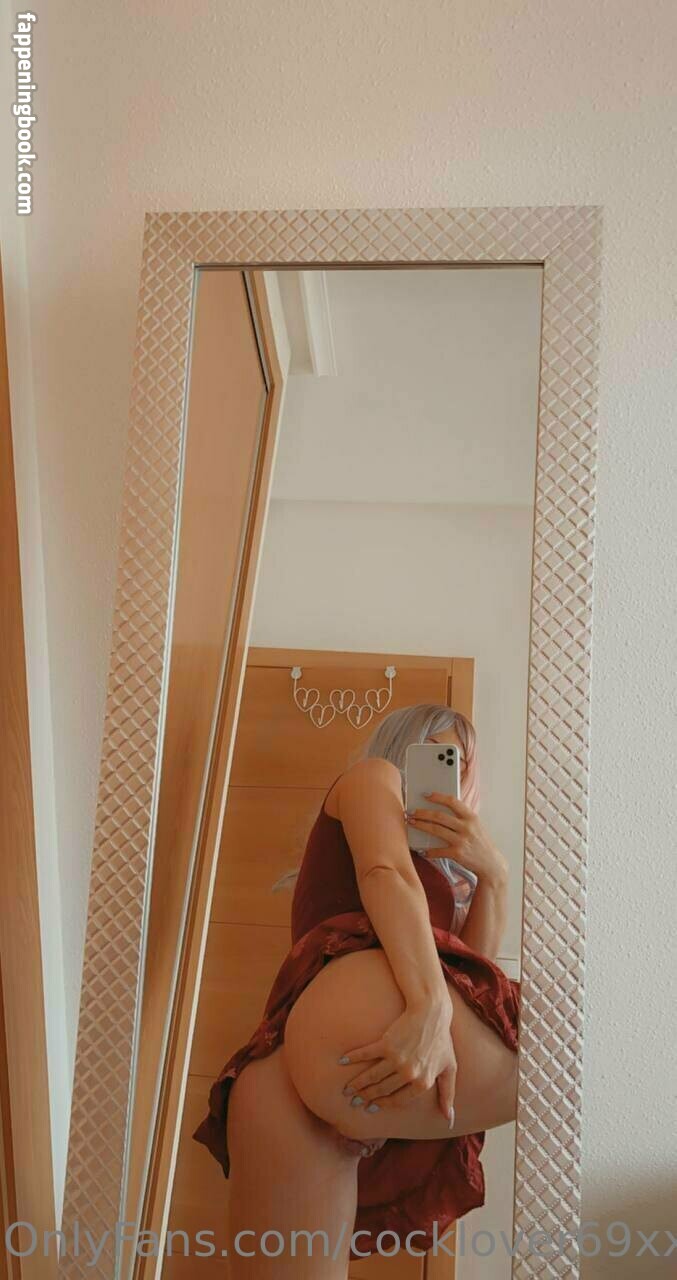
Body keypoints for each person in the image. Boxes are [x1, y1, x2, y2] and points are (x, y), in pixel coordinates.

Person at [193, 703, 520, 1277]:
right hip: (343, 1023)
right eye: (437, 753)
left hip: (280, 1077)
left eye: (462, 764)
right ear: (399, 749)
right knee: (592, 1049)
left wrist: (493, 876)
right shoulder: (372, 777)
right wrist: (429, 1006)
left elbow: (472, 981)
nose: (451, 772)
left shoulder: (441, 881)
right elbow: (384, 873)